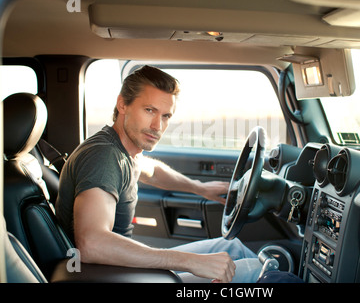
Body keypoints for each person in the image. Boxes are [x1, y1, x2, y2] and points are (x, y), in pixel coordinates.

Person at [55, 65, 262, 283]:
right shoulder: (104, 157)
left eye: (165, 116)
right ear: (122, 104)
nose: (157, 126)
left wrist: (199, 188)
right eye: (149, 110)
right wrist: (188, 261)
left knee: (231, 247)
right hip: (104, 276)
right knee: (254, 270)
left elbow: (152, 172)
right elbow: (92, 244)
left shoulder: (125, 152)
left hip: (116, 269)